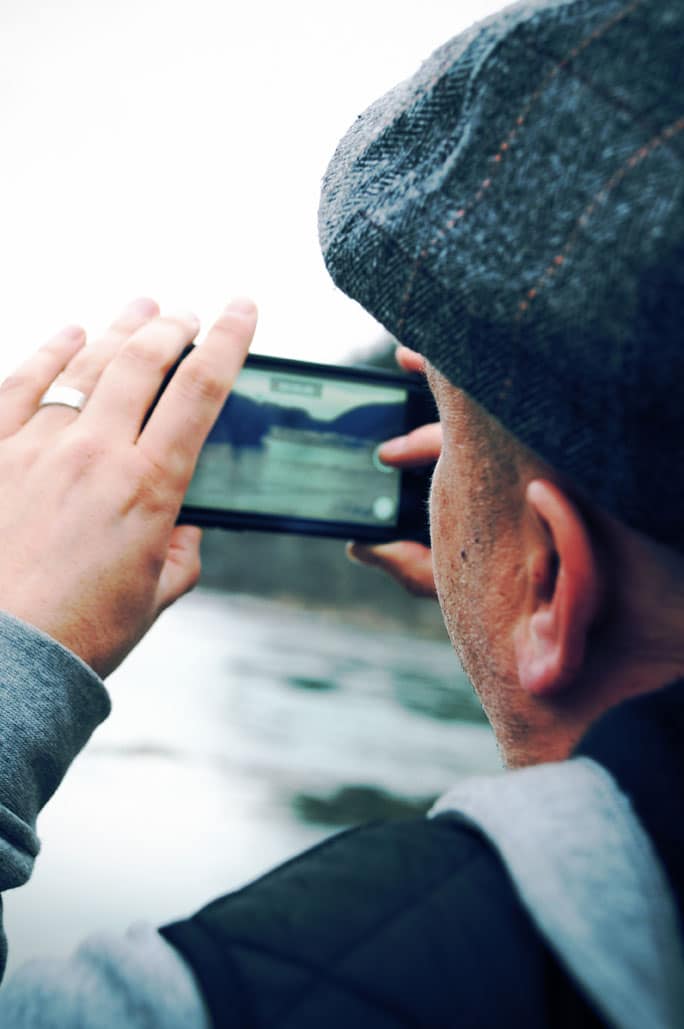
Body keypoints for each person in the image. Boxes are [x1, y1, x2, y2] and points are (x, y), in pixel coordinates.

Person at [1, 0, 683, 1025]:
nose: (433, 459)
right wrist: (519, 611)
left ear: (551, 579)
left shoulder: (269, 997)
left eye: (447, 417)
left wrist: (14, 651)